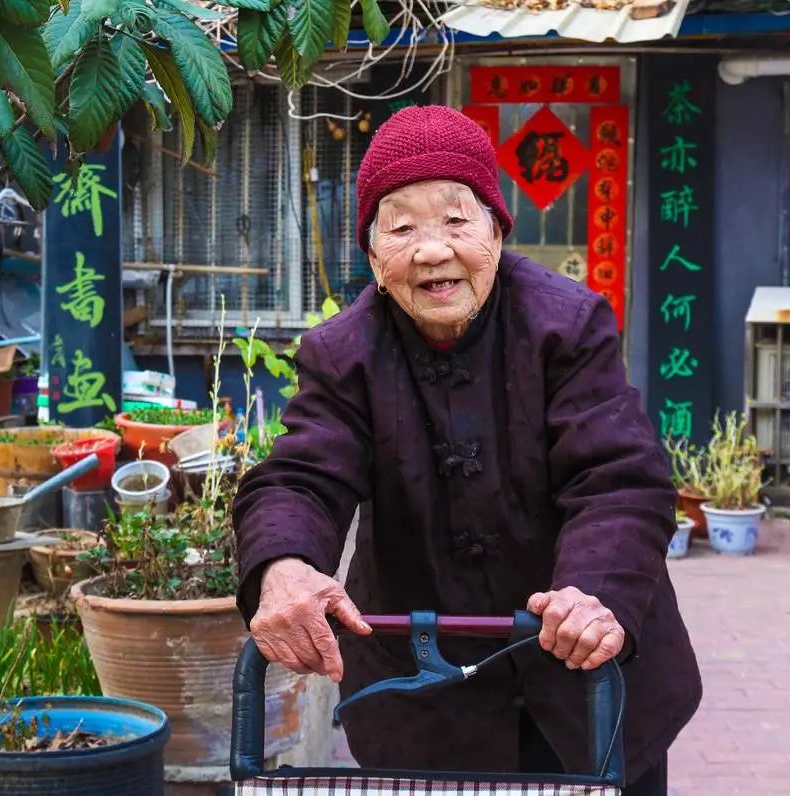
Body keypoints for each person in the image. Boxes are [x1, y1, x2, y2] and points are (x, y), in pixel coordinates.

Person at [233, 105, 700, 795]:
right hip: (427, 703)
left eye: (456, 220)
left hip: (586, 687)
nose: (431, 250)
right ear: (371, 253)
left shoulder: (566, 325)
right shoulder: (343, 353)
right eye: (401, 227)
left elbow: (619, 477)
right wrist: (285, 567)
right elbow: (303, 474)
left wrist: (591, 596)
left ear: (496, 229)